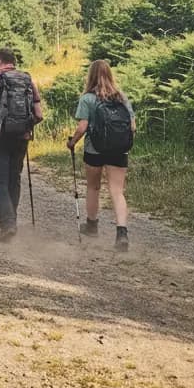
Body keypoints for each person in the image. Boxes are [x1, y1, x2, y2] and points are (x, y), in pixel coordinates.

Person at [0, 46, 43, 241]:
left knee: (0, 180)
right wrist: (25, 126)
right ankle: (11, 219)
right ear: (14, 62)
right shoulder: (27, 80)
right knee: (15, 178)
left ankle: (8, 223)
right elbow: (39, 114)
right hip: (22, 137)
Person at [66, 59, 136, 252]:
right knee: (117, 191)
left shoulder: (87, 98)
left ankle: (92, 226)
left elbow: (82, 127)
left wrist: (72, 142)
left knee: (93, 187)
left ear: (91, 76)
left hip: (94, 150)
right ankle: (122, 233)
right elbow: (132, 126)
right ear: (110, 74)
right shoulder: (122, 97)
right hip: (118, 151)